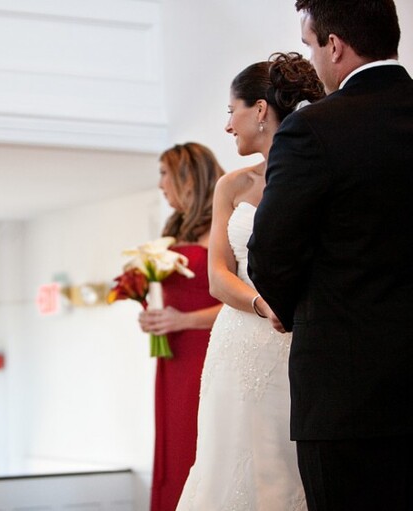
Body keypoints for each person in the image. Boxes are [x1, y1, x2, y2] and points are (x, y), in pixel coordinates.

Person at [247, 1, 413, 509]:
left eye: (310, 45)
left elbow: (271, 253)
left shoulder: (314, 128)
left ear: (335, 46)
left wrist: (289, 306)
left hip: (347, 395)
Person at [176, 53, 324, 510]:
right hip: (240, 340)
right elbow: (218, 277)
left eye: (231, 111)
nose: (227, 126)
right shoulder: (232, 186)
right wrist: (264, 305)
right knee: (227, 462)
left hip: (299, 341)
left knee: (289, 469)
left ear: (260, 110)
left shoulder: (317, 175)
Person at [137, 142, 224, 511]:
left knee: (198, 441)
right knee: (172, 443)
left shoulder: (220, 225)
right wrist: (151, 311)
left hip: (206, 353)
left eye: (164, 174)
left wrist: (184, 320)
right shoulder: (173, 228)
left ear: (188, 177)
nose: (160, 184)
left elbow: (242, 304)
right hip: (172, 358)